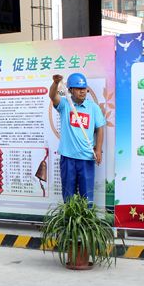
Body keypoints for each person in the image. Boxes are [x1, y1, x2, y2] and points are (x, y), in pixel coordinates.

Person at [49, 73, 106, 202]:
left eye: (84, 88)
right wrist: (55, 83)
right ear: (70, 90)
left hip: (86, 157)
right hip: (68, 157)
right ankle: (69, 215)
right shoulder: (64, 105)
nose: (82, 91)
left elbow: (99, 129)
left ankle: (86, 216)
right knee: (69, 196)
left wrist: (98, 150)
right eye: (78, 88)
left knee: (87, 196)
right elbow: (52, 96)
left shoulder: (93, 108)